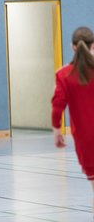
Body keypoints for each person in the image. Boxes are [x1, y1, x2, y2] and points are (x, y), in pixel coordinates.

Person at [51, 26, 94, 216]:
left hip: (85, 137)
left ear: (72, 46)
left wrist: (57, 131)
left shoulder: (64, 74)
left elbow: (58, 105)